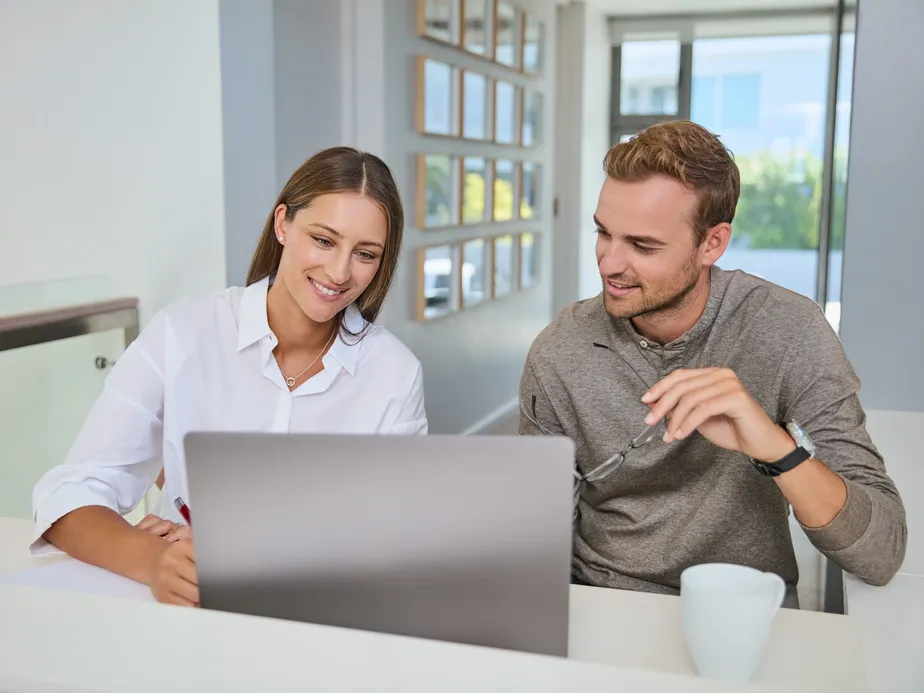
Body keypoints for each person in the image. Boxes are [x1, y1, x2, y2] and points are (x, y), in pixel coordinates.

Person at [519, 121, 907, 607]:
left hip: (746, 610)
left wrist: (773, 446)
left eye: (643, 246)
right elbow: (535, 538)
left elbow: (881, 551)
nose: (609, 263)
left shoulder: (788, 329)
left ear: (712, 244)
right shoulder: (560, 350)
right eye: (603, 233)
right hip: (604, 604)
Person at [32, 146, 427, 606]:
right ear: (283, 224)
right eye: (323, 240)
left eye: (365, 254)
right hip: (190, 614)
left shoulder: (394, 374)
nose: (339, 272)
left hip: (321, 621)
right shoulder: (182, 333)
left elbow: (399, 542)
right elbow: (68, 492)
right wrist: (151, 559)